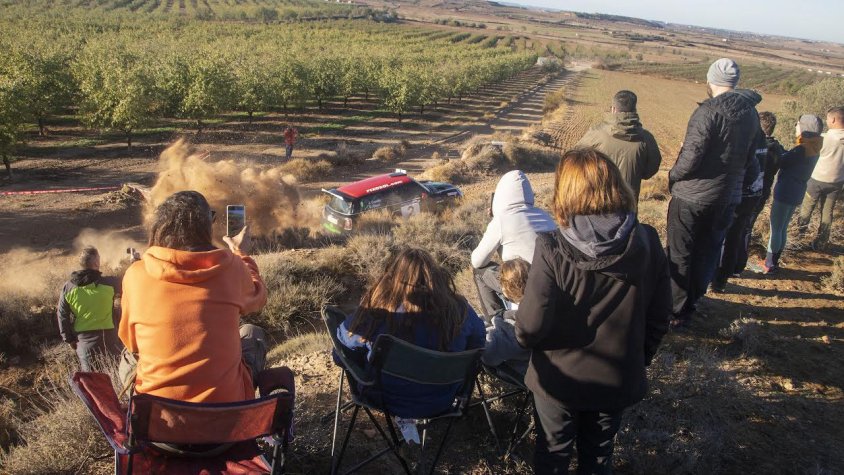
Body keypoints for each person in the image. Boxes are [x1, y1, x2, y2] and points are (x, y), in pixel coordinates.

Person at [516, 148, 670, 475]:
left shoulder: (551, 247)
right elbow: (660, 315)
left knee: (553, 455)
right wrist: (638, 358)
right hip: (616, 377)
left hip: (558, 382)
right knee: (598, 457)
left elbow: (529, 327)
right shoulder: (647, 241)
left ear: (564, 191)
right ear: (616, 184)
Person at [118, 191, 268, 403]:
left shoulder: (136, 274)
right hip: (227, 412)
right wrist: (240, 253)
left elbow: (131, 342)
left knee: (127, 355)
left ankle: (128, 405)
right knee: (252, 332)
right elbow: (258, 296)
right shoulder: (231, 268)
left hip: (158, 418)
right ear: (207, 226)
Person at [666, 58, 761, 326]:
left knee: (681, 253)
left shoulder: (707, 112)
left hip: (692, 196)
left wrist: (672, 176)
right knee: (708, 251)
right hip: (727, 197)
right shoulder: (751, 114)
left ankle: (675, 312)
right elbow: (751, 160)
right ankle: (692, 303)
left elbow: (691, 157)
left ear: (710, 81)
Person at [337, 248, 485, 418]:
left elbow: (342, 346)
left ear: (393, 277)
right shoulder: (460, 309)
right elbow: (478, 345)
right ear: (435, 277)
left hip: (384, 399)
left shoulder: (378, 309)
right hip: (442, 400)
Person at [471, 170, 556, 319]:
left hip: (521, 285)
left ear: (500, 197)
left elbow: (477, 260)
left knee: (479, 272)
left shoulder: (502, 220)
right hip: (550, 283)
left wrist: (493, 223)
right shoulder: (545, 216)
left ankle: (496, 317)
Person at [712, 89, 768, 292]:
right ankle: (725, 277)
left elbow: (747, 166)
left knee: (721, 236)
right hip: (753, 194)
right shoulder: (761, 136)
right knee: (737, 235)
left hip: (736, 193)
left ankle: (716, 278)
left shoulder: (744, 133)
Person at [764, 115, 825, 273]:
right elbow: (790, 157)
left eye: (798, 124)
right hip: (797, 191)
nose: (795, 127)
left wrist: (774, 149)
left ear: (805, 128)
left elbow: (781, 161)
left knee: (776, 228)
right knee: (782, 228)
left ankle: (769, 264)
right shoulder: (813, 146)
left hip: (785, 190)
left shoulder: (801, 149)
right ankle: (774, 262)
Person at [575, 89, 662, 201]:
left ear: (613, 109)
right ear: (635, 109)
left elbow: (574, 160)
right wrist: (635, 172)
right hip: (628, 206)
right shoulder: (646, 139)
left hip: (597, 204)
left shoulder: (596, 134)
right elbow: (652, 166)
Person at [57, 246, 123, 372]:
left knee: (92, 383)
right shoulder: (111, 283)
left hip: (84, 343)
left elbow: (62, 315)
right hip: (110, 340)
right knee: (115, 379)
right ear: (96, 263)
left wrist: (69, 339)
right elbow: (132, 285)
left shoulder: (68, 287)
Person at [797, 106, 844, 250]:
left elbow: (802, 148)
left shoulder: (824, 138)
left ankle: (798, 237)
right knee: (827, 212)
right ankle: (821, 242)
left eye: (828, 118)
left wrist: (799, 132)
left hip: (817, 180)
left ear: (834, 119)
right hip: (837, 182)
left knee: (806, 209)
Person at [481, 258, 531, 377]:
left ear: (505, 291)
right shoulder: (553, 305)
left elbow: (487, 356)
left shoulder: (511, 329)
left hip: (531, 375)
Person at [746, 111, 786, 254]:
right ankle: (739, 261)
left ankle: (730, 262)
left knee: (738, 227)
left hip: (748, 192)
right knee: (748, 227)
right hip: (764, 192)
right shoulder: (778, 149)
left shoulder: (755, 146)